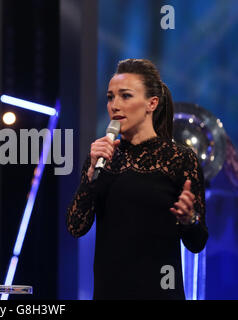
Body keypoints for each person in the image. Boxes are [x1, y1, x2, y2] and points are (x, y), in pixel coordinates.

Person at [66, 59, 208, 300]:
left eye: (126, 96)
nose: (115, 105)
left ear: (151, 103)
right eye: (110, 97)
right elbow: (76, 227)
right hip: (110, 292)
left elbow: (197, 242)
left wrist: (189, 218)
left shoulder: (180, 159)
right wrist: (90, 178)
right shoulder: (101, 158)